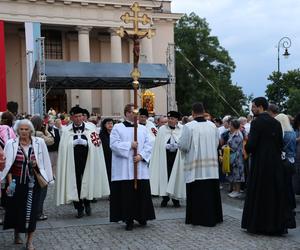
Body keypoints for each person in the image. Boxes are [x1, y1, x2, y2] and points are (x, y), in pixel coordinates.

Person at [241, 97, 293, 235]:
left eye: (253, 106)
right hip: (274, 163)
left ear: (260, 107)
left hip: (260, 163)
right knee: (273, 194)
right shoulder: (276, 123)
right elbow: (280, 144)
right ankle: (274, 225)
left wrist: (247, 147)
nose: (252, 109)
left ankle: (258, 224)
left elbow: (252, 144)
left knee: (259, 193)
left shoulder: (256, 123)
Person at [1, 119, 53, 250]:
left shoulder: (39, 142)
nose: (24, 132)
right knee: (16, 209)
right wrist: (9, 184)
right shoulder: (10, 143)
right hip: (15, 182)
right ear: (17, 131)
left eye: (26, 129)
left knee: (32, 211)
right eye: (21, 129)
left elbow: (45, 159)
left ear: (31, 130)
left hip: (33, 183)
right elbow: (7, 166)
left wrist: (42, 171)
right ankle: (17, 233)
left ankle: (29, 241)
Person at [56, 106, 110, 218]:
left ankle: (87, 203)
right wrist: (72, 144)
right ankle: (79, 207)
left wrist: (87, 143)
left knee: (87, 181)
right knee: (75, 183)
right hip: (73, 161)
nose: (78, 119)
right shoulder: (66, 131)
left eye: (80, 116)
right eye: (76, 116)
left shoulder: (91, 128)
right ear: (71, 117)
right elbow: (63, 147)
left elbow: (97, 144)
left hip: (87, 159)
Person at [110, 103, 155, 231]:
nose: (135, 116)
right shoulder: (118, 128)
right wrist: (129, 145)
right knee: (127, 195)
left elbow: (149, 144)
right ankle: (128, 219)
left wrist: (141, 156)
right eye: (133, 113)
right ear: (126, 113)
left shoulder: (142, 128)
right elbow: (113, 145)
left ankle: (142, 216)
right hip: (123, 168)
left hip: (139, 167)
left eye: (137, 113)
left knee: (141, 193)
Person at [178, 102, 223, 227]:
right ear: (204, 112)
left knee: (197, 193)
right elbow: (216, 143)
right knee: (210, 192)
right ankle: (215, 216)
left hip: (195, 167)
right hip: (211, 167)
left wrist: (179, 145)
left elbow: (184, 145)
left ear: (192, 112)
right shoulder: (213, 126)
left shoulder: (189, 126)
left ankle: (197, 218)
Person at [149, 111, 184, 207]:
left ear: (177, 120)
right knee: (165, 175)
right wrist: (165, 146)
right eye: (169, 118)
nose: (170, 120)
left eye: (172, 118)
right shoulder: (162, 129)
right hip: (165, 156)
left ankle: (175, 198)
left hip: (177, 157)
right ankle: (165, 197)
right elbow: (158, 144)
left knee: (176, 176)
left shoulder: (182, 129)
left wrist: (178, 145)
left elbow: (184, 142)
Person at [275, 113, 297, 228]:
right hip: (292, 160)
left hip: (284, 162)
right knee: (290, 185)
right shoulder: (293, 133)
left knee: (285, 186)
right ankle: (292, 205)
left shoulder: (284, 134)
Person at [226, 119, 245, 198]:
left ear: (233, 126)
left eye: (230, 125)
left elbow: (233, 147)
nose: (229, 126)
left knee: (237, 174)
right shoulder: (234, 133)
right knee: (234, 173)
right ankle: (234, 190)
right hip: (235, 157)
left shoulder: (237, 134)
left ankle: (237, 191)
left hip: (237, 157)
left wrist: (226, 147)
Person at [99, 118, 114, 188]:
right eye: (108, 123)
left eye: (111, 123)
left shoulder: (115, 133)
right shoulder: (101, 134)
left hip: (114, 157)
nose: (110, 125)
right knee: (108, 173)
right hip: (106, 157)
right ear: (104, 125)